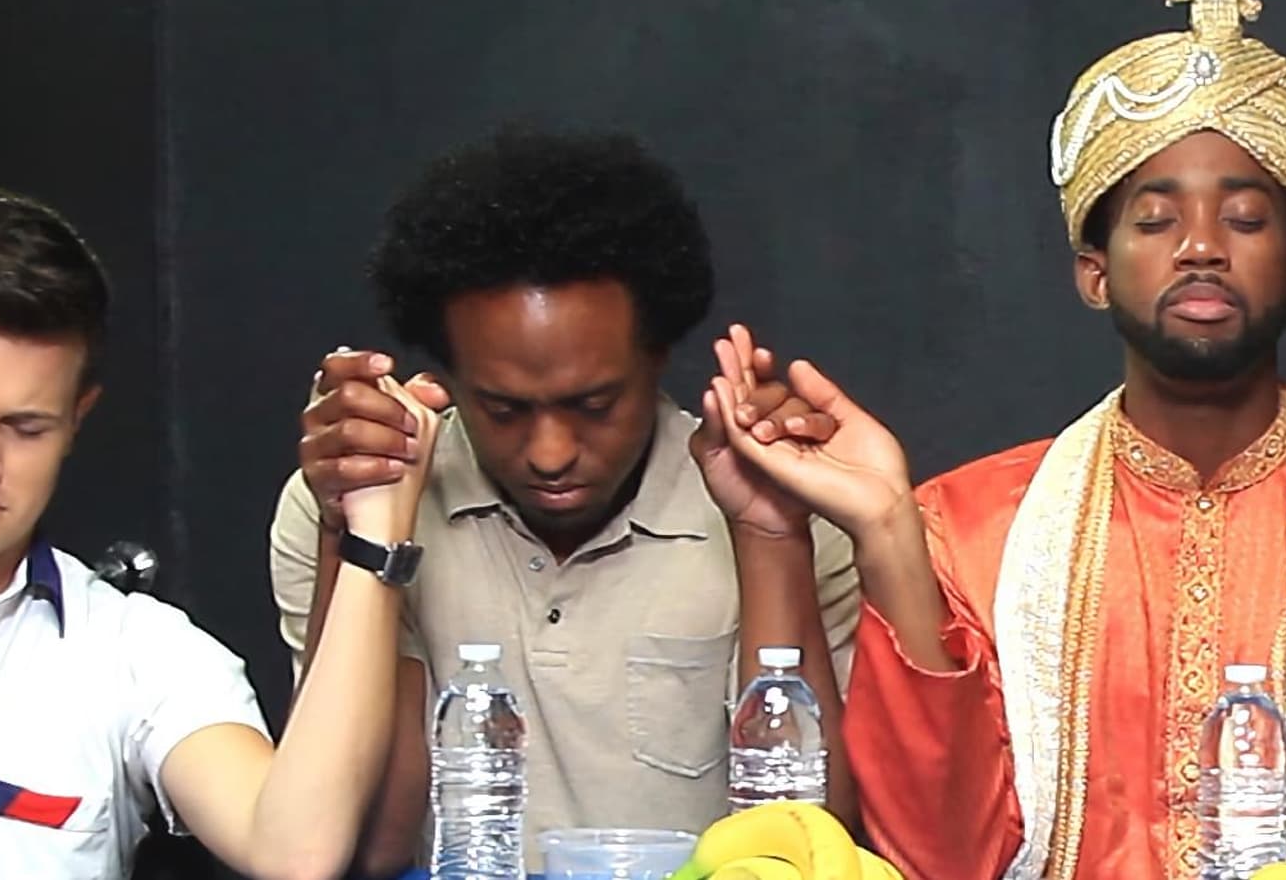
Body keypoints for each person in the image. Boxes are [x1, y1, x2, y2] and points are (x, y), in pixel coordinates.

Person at [698, 0, 1286, 878]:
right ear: (1095, 274)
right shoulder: (963, 531)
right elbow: (938, 857)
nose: (1200, 247)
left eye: (1245, 220)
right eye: (1155, 221)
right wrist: (887, 532)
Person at [268, 127, 861, 874]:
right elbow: (367, 850)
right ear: (447, 376)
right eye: (504, 409)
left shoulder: (788, 510)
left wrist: (770, 537)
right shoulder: (355, 508)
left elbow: (812, 851)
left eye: (594, 404)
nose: (550, 452)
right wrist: (356, 533)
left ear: (658, 357)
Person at [0, 187, 442, 879]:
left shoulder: (136, 653)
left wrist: (373, 535)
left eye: (25, 427)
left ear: (76, 419)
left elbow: (295, 852)